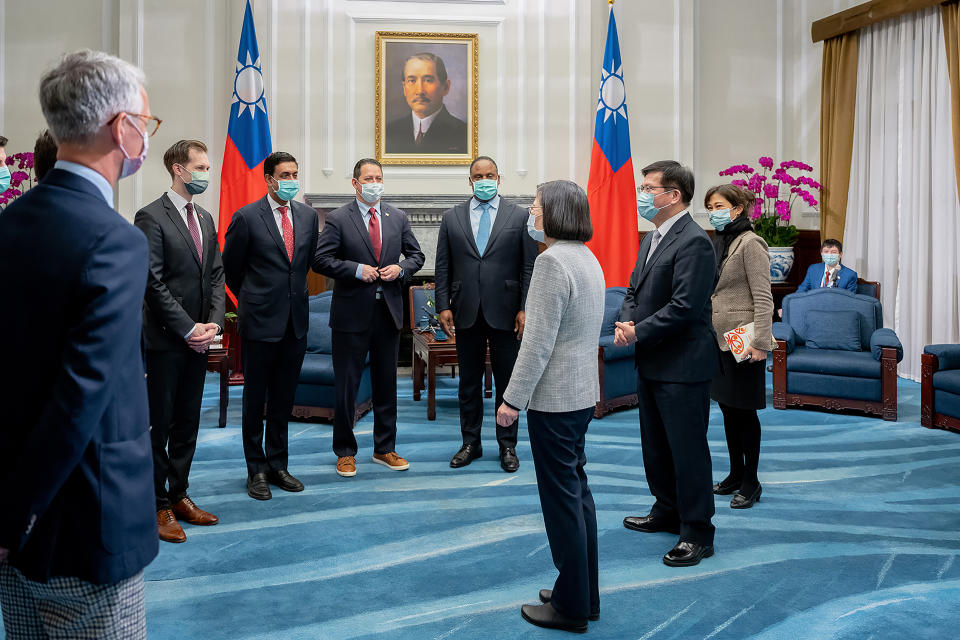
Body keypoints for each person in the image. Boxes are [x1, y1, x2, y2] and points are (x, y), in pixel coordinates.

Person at [0, 49, 157, 638]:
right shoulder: (114, 241)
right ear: (123, 128)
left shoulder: (9, 224)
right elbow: (79, 398)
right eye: (147, 121)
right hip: (84, 520)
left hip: (18, 516)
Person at [496, 180, 605, 633]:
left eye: (537, 207)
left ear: (556, 212)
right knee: (577, 496)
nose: (531, 214)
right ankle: (582, 593)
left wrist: (510, 400)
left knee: (562, 502)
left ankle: (570, 608)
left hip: (555, 401)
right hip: (580, 395)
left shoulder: (551, 262)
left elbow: (537, 344)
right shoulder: (586, 256)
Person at [614, 160, 721, 568]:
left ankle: (697, 532)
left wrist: (637, 330)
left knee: (687, 449)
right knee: (655, 445)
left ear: (672, 195)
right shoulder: (652, 237)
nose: (642, 195)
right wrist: (627, 319)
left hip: (684, 364)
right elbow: (632, 288)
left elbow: (685, 307)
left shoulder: (694, 241)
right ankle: (666, 510)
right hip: (653, 360)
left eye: (648, 188)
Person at [135, 139, 224, 542]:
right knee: (161, 426)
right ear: (178, 169)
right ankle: (157, 505)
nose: (206, 173)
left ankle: (180, 494)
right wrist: (188, 328)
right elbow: (151, 282)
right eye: (200, 167)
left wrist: (214, 325)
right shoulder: (150, 216)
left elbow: (217, 277)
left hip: (200, 341)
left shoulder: (205, 219)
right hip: (167, 341)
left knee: (188, 422)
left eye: (207, 167)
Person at [313, 158, 425, 477]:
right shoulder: (338, 218)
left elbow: (417, 256)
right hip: (351, 315)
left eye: (379, 177)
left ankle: (385, 448)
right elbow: (321, 260)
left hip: (387, 314)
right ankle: (345, 451)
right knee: (347, 386)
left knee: (386, 384)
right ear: (355, 183)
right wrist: (355, 269)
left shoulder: (397, 216)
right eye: (369, 178)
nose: (375, 182)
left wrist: (402, 269)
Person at [222, 151, 320, 501]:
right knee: (254, 400)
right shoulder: (247, 217)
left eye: (295, 173)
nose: (291, 179)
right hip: (260, 323)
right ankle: (256, 470)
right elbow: (231, 270)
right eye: (285, 174)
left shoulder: (308, 217)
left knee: (283, 400)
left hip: (295, 324)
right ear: (269, 179)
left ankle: (279, 465)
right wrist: (256, 297)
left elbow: (305, 264)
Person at [435, 155, 537, 472]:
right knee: (469, 383)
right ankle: (471, 443)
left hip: (507, 313)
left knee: (509, 382)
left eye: (489, 174)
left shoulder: (520, 216)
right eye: (477, 176)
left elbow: (528, 266)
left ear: (498, 177)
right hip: (465, 311)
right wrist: (443, 305)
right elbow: (442, 266)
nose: (484, 180)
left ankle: (508, 446)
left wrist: (525, 307)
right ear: (469, 180)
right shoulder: (452, 217)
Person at [704, 184, 773, 509]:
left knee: (745, 412)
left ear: (737, 209)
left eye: (718, 206)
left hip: (745, 341)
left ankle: (751, 481)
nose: (713, 212)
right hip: (720, 342)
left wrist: (761, 343)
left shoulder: (751, 243)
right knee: (729, 410)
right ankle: (734, 473)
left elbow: (763, 296)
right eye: (710, 207)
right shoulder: (720, 241)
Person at [385, 52, 468, 154]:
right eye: (412, 80)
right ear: (404, 89)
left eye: (428, 80)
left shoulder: (464, 133)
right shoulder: (388, 132)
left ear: (446, 87)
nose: (420, 91)